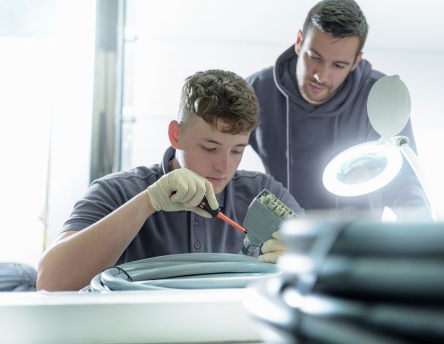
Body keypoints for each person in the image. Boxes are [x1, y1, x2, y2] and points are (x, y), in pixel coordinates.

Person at [37, 70, 303, 291]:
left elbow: (330, 267)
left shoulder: (264, 193)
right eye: (210, 147)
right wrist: (146, 204)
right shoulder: (117, 191)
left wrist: (302, 260)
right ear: (176, 135)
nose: (225, 166)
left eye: (237, 150)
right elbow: (51, 282)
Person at [247, 0, 431, 219]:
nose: (320, 75)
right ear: (298, 42)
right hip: (284, 241)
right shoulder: (257, 90)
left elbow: (405, 186)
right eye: (314, 57)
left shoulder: (379, 98)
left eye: (338, 65)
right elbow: (219, 152)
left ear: (356, 61)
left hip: (359, 245)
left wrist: (419, 228)